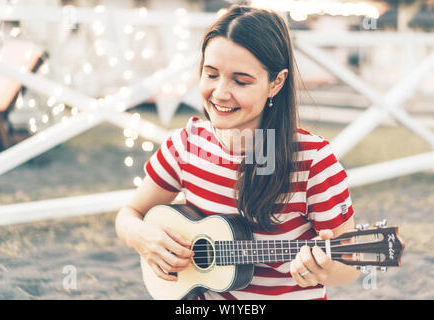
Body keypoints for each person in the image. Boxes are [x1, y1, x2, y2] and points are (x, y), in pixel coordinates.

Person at [115, 5, 360, 300]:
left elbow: (351, 263)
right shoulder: (185, 145)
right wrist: (142, 236)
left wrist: (323, 269)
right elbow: (129, 214)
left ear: (276, 83)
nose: (220, 92)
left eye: (241, 81)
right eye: (211, 74)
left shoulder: (313, 161)